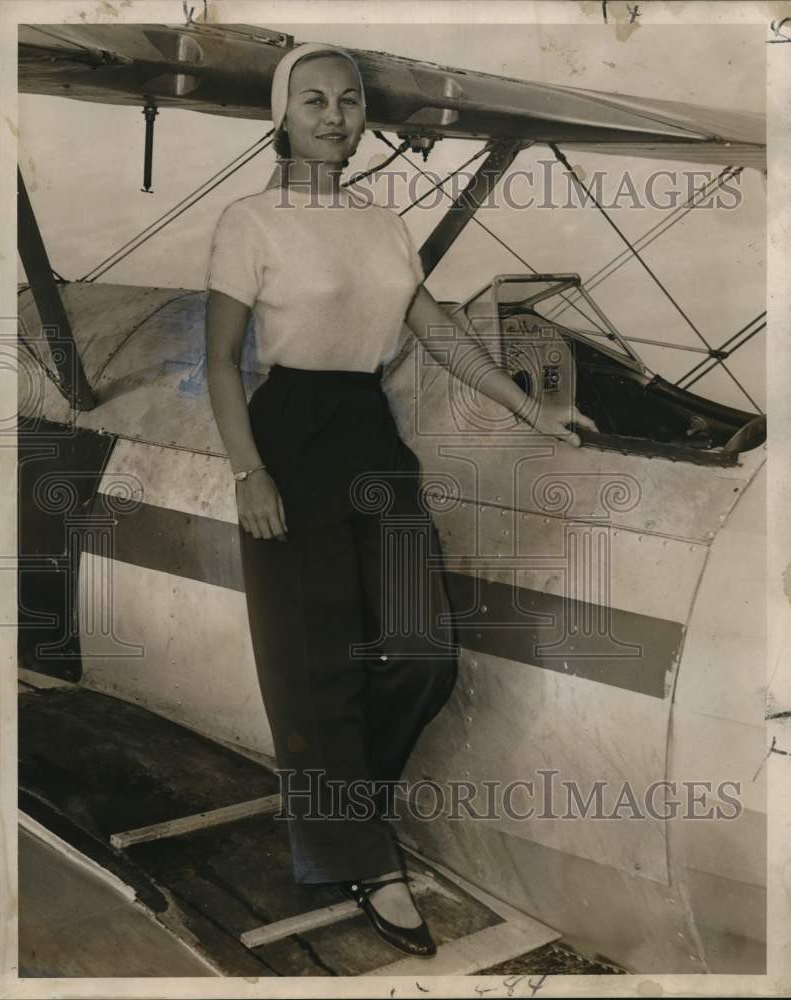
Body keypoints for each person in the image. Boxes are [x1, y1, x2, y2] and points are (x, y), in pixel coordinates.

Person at [205, 42, 589, 959]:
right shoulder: (248, 220)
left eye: (346, 101)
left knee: (423, 654)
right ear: (282, 114)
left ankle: (340, 816)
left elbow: (439, 333)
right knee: (316, 663)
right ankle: (368, 860)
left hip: (366, 427)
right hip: (289, 428)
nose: (333, 116)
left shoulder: (381, 224)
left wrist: (529, 408)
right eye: (312, 102)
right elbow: (219, 360)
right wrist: (248, 471)